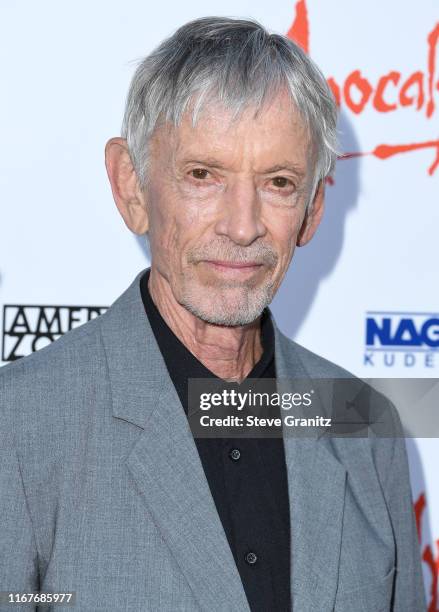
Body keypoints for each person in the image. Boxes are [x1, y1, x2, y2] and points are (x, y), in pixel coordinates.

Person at [0, 16, 425, 612]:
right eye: (203, 175)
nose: (243, 226)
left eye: (278, 182)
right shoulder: (19, 425)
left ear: (312, 209)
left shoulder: (362, 422)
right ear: (132, 186)